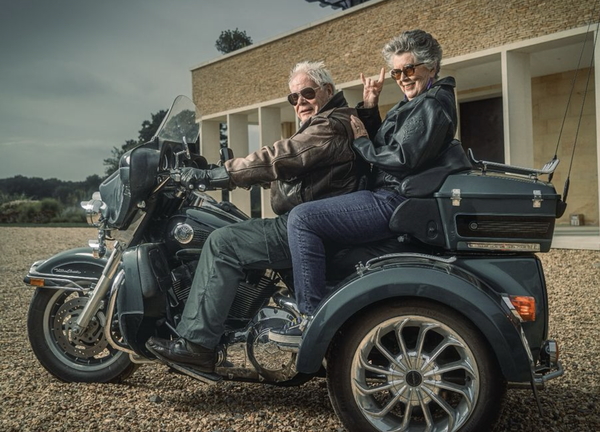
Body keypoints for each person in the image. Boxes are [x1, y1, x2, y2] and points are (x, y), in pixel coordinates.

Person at [146, 61, 367, 374]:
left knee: (223, 242)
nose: (301, 102)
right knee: (232, 225)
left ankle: (196, 345)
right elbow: (299, 172)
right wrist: (237, 174)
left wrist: (216, 176)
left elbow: (279, 156)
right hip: (315, 222)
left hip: (305, 227)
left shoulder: (329, 125)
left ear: (328, 91)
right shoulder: (332, 121)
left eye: (307, 93)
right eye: (294, 98)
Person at [269, 29, 471, 346]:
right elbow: (395, 144)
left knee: (303, 219)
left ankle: (311, 319)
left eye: (409, 69)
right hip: (390, 193)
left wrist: (361, 142)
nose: (402, 78)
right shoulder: (420, 101)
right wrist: (370, 107)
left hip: (392, 198)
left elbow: (401, 157)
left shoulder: (433, 104)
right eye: (396, 71)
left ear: (431, 67)